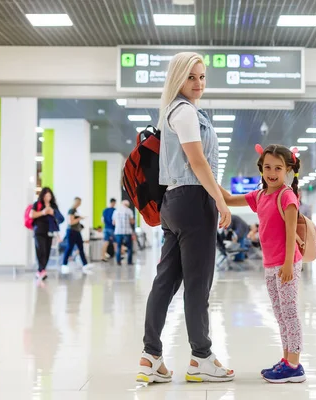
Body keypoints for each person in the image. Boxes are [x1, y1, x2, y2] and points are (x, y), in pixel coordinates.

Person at [137, 52, 233, 384]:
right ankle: (201, 358)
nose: (198, 84)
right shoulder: (186, 113)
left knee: (166, 280)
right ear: (178, 79)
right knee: (197, 285)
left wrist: (221, 196)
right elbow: (197, 161)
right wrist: (219, 201)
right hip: (193, 202)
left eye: (202, 77)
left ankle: (150, 357)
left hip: (173, 202)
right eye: (191, 77)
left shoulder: (171, 113)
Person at [220, 144, 306, 384]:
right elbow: (227, 198)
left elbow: (291, 234)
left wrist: (288, 265)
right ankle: (286, 359)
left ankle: (294, 365)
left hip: (286, 264)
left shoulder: (286, 196)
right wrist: (204, 173)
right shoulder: (260, 195)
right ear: (261, 168)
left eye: (278, 168)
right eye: (267, 167)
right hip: (270, 265)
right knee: (280, 315)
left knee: (290, 314)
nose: (272, 172)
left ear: (288, 169)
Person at [30, 187, 64, 280]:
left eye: (49, 195)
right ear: (42, 195)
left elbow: (61, 219)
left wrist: (53, 212)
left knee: (47, 252)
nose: (47, 197)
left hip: (49, 232)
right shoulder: (37, 204)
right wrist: (43, 212)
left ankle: (41, 271)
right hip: (39, 231)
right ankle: (41, 270)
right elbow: (31, 215)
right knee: (41, 250)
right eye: (46, 195)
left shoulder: (54, 206)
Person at [62, 197, 91, 271]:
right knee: (69, 247)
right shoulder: (71, 210)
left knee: (81, 247)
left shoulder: (75, 211)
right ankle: (64, 264)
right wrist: (79, 218)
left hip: (77, 231)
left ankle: (85, 264)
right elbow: (70, 222)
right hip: (71, 231)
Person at [113, 200, 135, 266]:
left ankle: (118, 262)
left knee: (119, 247)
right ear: (127, 205)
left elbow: (113, 222)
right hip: (127, 232)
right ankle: (129, 262)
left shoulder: (116, 211)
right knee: (129, 247)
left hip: (118, 232)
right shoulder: (129, 211)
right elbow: (132, 222)